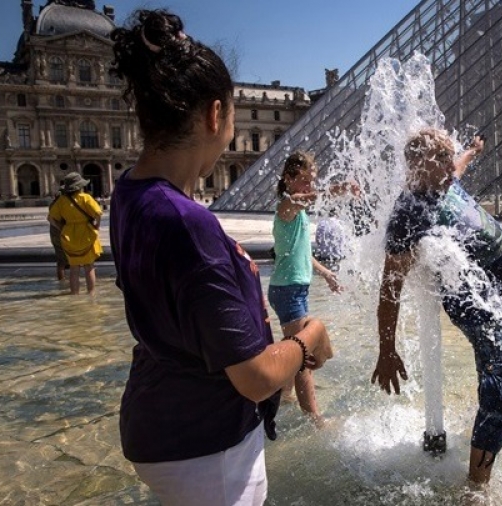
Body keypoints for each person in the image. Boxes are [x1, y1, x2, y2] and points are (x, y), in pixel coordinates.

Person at [108, 10, 333, 505]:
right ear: (214, 114)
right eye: (231, 117)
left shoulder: (128, 194)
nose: (231, 133)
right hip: (206, 447)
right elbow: (254, 378)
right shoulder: (188, 223)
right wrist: (307, 342)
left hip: (157, 417)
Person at [372, 129, 502, 487]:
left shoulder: (443, 180)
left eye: (450, 156)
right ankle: (477, 487)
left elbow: (458, 165)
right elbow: (390, 288)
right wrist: (387, 350)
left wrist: (472, 151)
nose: (450, 163)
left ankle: (495, 427)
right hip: (477, 304)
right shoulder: (408, 216)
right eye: (442, 158)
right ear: (418, 166)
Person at [268, 150, 341, 426]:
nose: (309, 187)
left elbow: (303, 251)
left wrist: (325, 273)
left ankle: (284, 396)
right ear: (288, 179)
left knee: (294, 346)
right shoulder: (286, 207)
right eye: (305, 180)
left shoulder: (299, 215)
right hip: (288, 291)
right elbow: (300, 200)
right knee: (302, 357)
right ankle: (315, 419)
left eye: (313, 181)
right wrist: (336, 190)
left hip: (292, 289)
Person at [48, 172, 102, 294]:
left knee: (74, 268)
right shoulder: (86, 197)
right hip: (86, 232)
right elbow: (98, 213)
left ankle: (75, 294)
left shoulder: (61, 201)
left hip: (69, 234)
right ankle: (91, 293)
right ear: (80, 186)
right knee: (89, 267)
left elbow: (50, 218)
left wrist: (61, 228)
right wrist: (97, 226)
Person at [47, 192, 70, 281]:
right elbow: (50, 218)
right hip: (60, 234)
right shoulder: (60, 205)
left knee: (62, 259)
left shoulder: (54, 204)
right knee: (62, 260)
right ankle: (62, 280)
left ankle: (63, 278)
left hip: (55, 234)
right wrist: (61, 228)